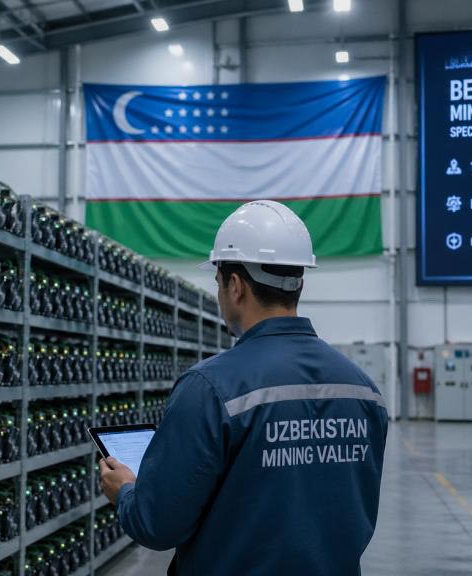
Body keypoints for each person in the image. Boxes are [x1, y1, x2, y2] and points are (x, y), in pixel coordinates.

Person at [98, 200, 389, 576]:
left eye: (218, 283)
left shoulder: (210, 388)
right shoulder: (363, 390)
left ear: (235, 286)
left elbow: (158, 524)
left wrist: (124, 491)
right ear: (299, 283)